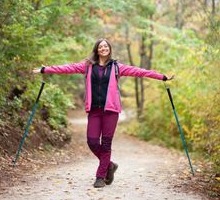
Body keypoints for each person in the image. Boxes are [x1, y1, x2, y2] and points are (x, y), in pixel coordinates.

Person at [33, 38, 174, 188]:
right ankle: (110, 165)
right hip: (94, 110)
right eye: (101, 46)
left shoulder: (117, 67)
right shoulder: (88, 66)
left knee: (106, 145)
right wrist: (45, 69)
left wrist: (162, 77)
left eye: (106, 46)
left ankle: (100, 177)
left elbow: (140, 72)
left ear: (109, 49)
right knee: (92, 142)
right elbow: (67, 68)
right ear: (97, 50)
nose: (103, 48)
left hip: (111, 111)